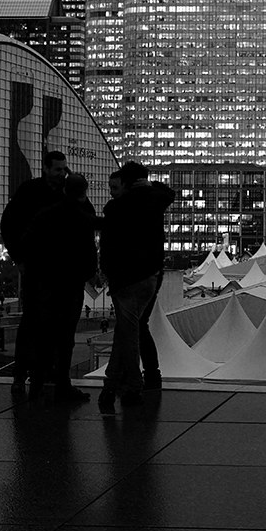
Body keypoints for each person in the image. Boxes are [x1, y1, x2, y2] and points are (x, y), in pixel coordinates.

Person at [97, 161, 174, 413]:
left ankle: (131, 385)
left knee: (128, 334)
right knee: (129, 331)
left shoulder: (116, 208)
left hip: (125, 280)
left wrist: (108, 273)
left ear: (126, 183)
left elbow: (107, 246)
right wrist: (149, 185)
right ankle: (114, 385)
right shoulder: (154, 201)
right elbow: (168, 192)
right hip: (150, 276)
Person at [20, 172, 98, 403]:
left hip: (45, 283)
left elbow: (27, 243)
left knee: (43, 336)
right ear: (84, 193)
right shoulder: (82, 217)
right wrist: (88, 273)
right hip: (71, 283)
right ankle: (62, 385)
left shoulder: (46, 215)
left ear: (64, 190)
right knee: (65, 338)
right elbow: (88, 250)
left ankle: (36, 385)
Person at [0, 150, 69, 395]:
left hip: (54, 268)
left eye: (64, 169)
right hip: (38, 266)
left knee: (46, 322)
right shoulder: (31, 192)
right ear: (46, 169)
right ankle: (23, 374)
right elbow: (8, 223)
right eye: (58, 169)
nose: (62, 174)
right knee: (33, 321)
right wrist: (19, 258)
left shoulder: (61, 193)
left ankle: (38, 373)